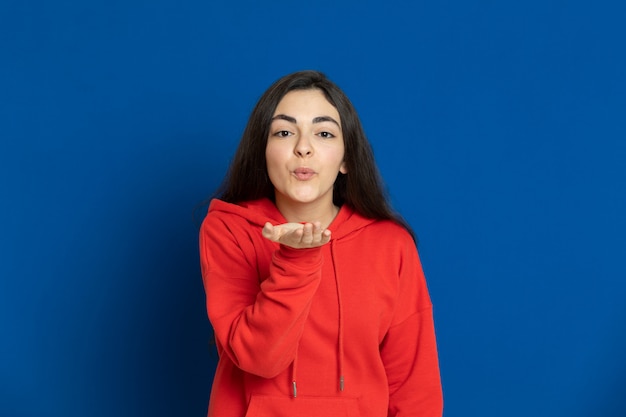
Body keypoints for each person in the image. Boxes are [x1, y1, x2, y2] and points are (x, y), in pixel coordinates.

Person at [199, 70, 443, 417]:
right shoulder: (229, 230)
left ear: (346, 159)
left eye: (324, 133)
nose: (303, 147)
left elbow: (415, 389)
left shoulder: (391, 244)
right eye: (284, 132)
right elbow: (259, 358)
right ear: (263, 151)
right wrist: (297, 261)